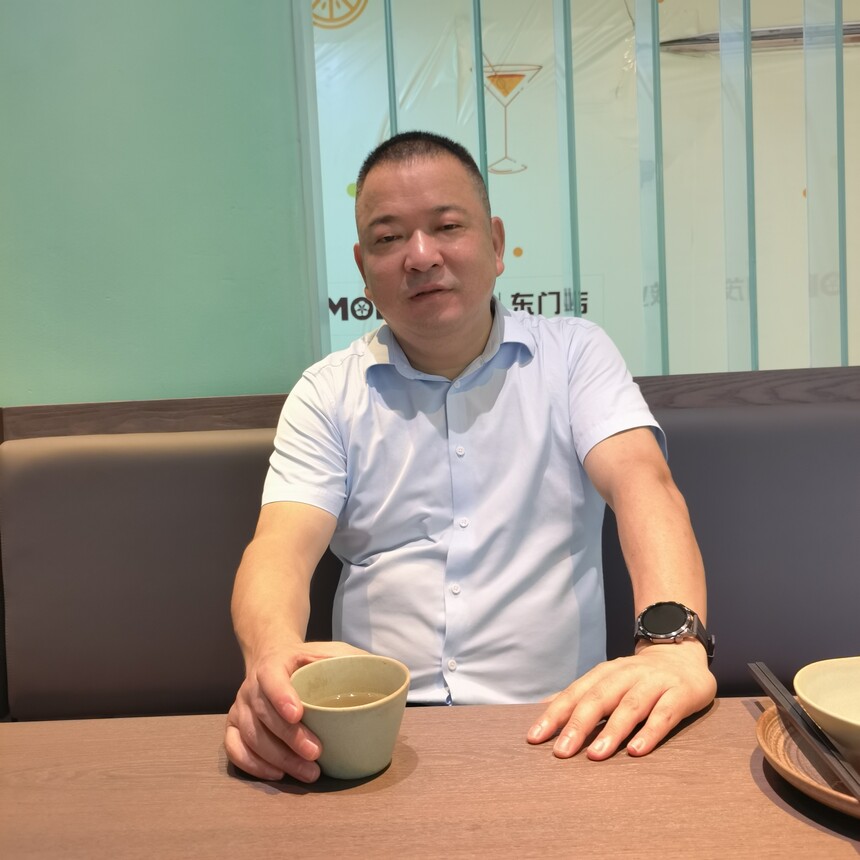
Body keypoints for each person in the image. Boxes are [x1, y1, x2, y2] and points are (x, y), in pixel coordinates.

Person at [224, 131, 716, 783]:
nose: (420, 256)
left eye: (447, 226)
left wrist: (673, 648)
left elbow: (644, 484)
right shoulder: (327, 393)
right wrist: (271, 658)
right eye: (389, 237)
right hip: (370, 739)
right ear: (363, 266)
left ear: (496, 242)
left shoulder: (574, 355)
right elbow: (279, 549)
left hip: (560, 727)